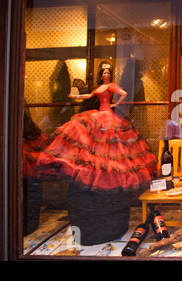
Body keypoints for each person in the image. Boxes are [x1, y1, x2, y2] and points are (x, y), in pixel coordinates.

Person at [36, 60, 158, 245]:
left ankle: (107, 213)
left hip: (111, 116)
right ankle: (94, 216)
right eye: (105, 73)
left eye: (109, 73)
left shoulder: (112, 86)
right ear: (101, 74)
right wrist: (74, 96)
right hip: (99, 115)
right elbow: (87, 96)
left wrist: (119, 103)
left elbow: (124, 94)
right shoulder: (100, 88)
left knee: (114, 154)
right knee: (94, 154)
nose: (106, 75)